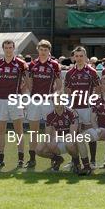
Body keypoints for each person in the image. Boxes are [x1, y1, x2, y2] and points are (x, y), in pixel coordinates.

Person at [0, 40, 28, 169]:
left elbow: (26, 82)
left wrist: (21, 95)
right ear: (3, 48)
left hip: (15, 99)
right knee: (0, 130)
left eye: (10, 47)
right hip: (1, 99)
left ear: (14, 48)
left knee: (19, 131)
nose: (8, 50)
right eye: (6, 47)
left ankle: (21, 160)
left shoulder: (21, 64)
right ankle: (0, 159)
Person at [24, 40, 62, 168]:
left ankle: (54, 157)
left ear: (49, 51)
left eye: (46, 50)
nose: (43, 52)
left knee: (50, 132)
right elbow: (28, 80)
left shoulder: (55, 65)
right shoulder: (32, 64)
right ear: (38, 50)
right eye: (41, 49)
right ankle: (32, 159)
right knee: (33, 131)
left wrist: (55, 95)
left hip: (48, 101)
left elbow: (59, 83)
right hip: (34, 100)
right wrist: (33, 92)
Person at [64, 46, 101, 167]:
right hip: (75, 108)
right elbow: (67, 91)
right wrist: (70, 106)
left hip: (87, 108)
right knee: (74, 135)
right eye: (77, 56)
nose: (79, 58)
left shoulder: (92, 72)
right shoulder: (70, 73)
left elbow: (98, 90)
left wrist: (92, 103)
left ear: (85, 57)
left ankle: (93, 161)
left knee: (89, 134)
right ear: (74, 57)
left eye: (81, 56)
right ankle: (75, 161)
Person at [83, 75, 105, 176]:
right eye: (104, 84)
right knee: (79, 139)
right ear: (100, 85)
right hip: (100, 129)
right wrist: (97, 129)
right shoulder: (95, 99)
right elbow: (93, 118)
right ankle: (86, 167)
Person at [36, 102, 84, 173]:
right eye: (55, 101)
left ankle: (76, 163)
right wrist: (51, 142)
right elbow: (48, 134)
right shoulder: (50, 115)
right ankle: (58, 159)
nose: (57, 103)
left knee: (69, 143)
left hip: (70, 138)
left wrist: (59, 139)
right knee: (38, 150)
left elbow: (72, 134)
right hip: (58, 137)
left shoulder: (71, 113)